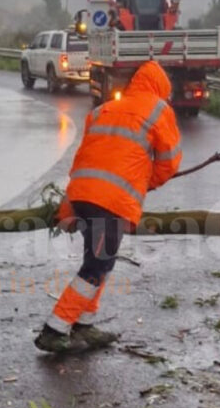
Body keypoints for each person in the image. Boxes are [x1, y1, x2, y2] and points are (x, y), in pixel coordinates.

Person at [35, 61, 183, 353]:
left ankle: (84, 324)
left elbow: (82, 158)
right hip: (110, 203)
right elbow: (169, 161)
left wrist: (69, 204)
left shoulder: (103, 110)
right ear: (162, 88)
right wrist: (146, 183)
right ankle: (54, 329)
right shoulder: (158, 110)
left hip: (84, 195)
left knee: (100, 261)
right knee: (97, 265)